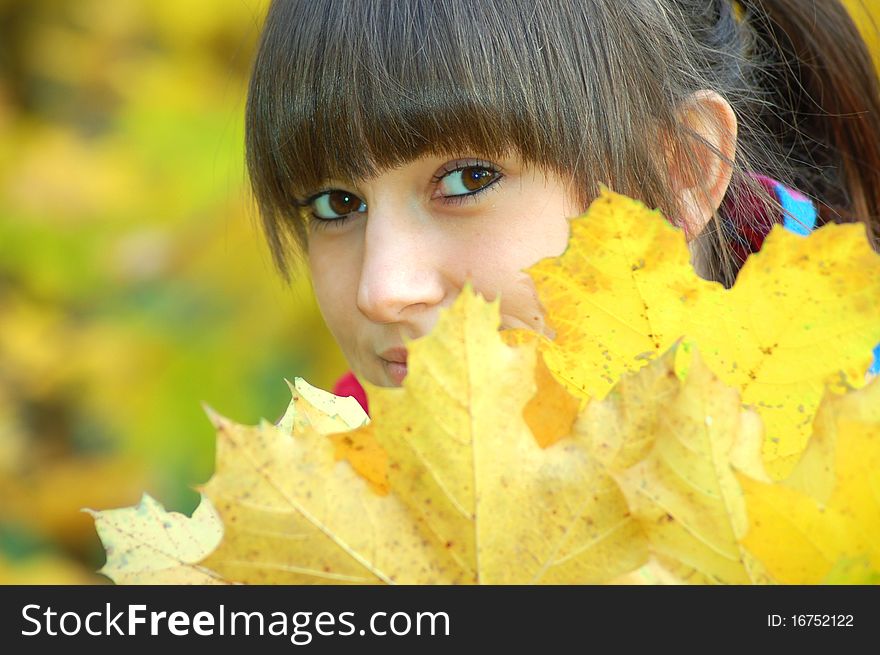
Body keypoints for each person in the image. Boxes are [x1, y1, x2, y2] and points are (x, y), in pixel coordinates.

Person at [244, 0, 880, 413]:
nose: (379, 290)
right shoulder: (332, 502)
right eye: (337, 203)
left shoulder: (848, 470)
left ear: (683, 172)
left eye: (467, 180)